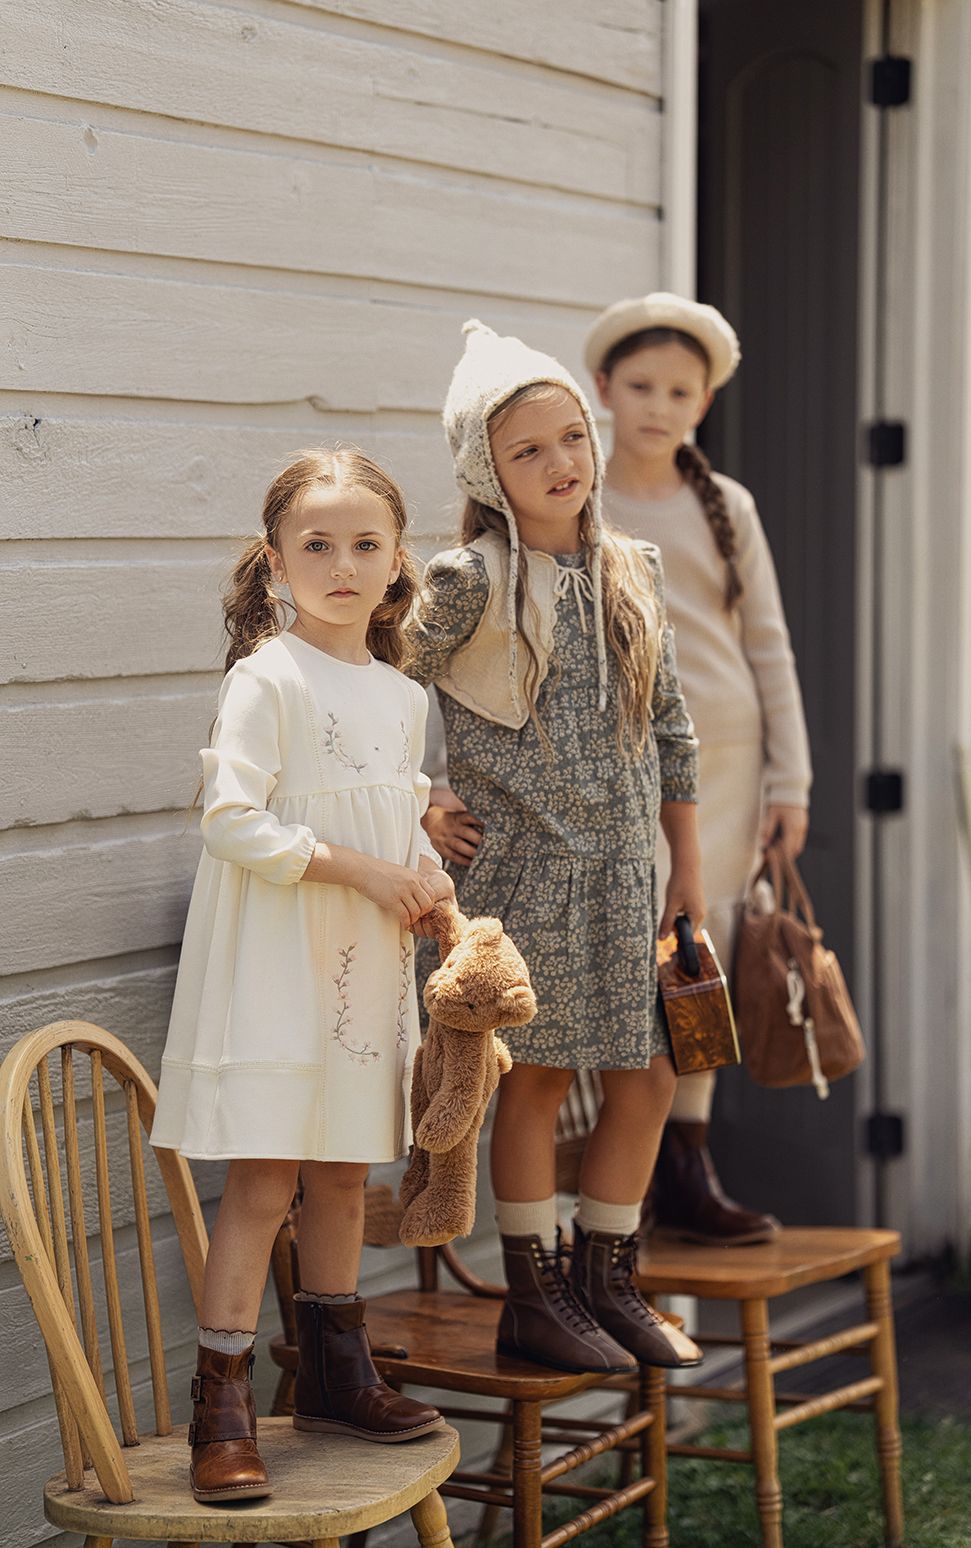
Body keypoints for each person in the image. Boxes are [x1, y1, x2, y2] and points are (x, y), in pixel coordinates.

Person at [151, 448, 453, 1504]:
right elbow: (233, 820)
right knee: (268, 1177)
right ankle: (223, 1401)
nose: (341, 563)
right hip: (277, 958)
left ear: (397, 561)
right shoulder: (266, 677)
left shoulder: (403, 694)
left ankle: (333, 1371)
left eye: (365, 543)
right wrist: (367, 869)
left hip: (364, 964)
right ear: (276, 563)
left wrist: (424, 879)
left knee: (342, 1172)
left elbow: (399, 806)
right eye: (315, 545)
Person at [410, 320, 704, 1374]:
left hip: (628, 876)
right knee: (534, 1077)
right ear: (486, 470)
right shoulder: (466, 580)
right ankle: (529, 1292)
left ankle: (604, 1276)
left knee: (652, 1074)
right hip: (522, 875)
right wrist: (420, 798)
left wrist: (689, 886)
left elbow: (672, 729)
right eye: (528, 450)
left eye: (571, 438)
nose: (560, 464)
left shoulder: (634, 569)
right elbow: (377, 695)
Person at [584, 291, 813, 1244]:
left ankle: (686, 1159)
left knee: (698, 955)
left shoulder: (727, 507)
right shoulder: (580, 494)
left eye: (681, 390)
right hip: (618, 765)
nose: (658, 405)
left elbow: (769, 647)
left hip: (725, 761)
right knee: (629, 949)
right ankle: (618, 1179)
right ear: (603, 386)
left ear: (704, 402)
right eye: (640, 385)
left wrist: (788, 781)